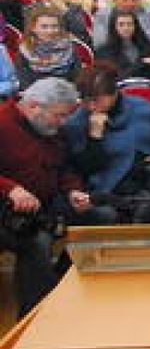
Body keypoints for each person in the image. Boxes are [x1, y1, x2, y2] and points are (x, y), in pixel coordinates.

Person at [0, 78, 109, 316]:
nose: (63, 122)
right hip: (6, 211)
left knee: (103, 217)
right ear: (33, 106)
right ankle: (35, 316)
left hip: (46, 203)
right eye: (58, 115)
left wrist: (73, 190)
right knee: (37, 242)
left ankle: (60, 283)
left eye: (66, 116)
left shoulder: (50, 129)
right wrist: (11, 188)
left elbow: (64, 168)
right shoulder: (3, 123)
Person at [64, 64, 150, 224]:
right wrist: (95, 136)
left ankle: (144, 214)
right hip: (112, 181)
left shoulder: (141, 106)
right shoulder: (77, 122)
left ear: (113, 94)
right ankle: (143, 219)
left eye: (96, 100)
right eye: (86, 101)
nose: (91, 106)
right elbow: (84, 168)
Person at [94, 9, 150, 82]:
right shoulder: (104, 51)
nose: (126, 28)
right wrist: (141, 63)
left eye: (130, 24)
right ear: (114, 27)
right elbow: (113, 80)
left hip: (148, 89)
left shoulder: (146, 46)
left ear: (135, 26)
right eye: (121, 25)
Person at [15, 5, 81, 89]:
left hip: (65, 95)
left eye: (54, 26)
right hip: (34, 97)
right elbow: (24, 83)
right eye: (44, 27)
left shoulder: (70, 48)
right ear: (33, 28)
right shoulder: (24, 51)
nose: (50, 31)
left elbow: (77, 78)